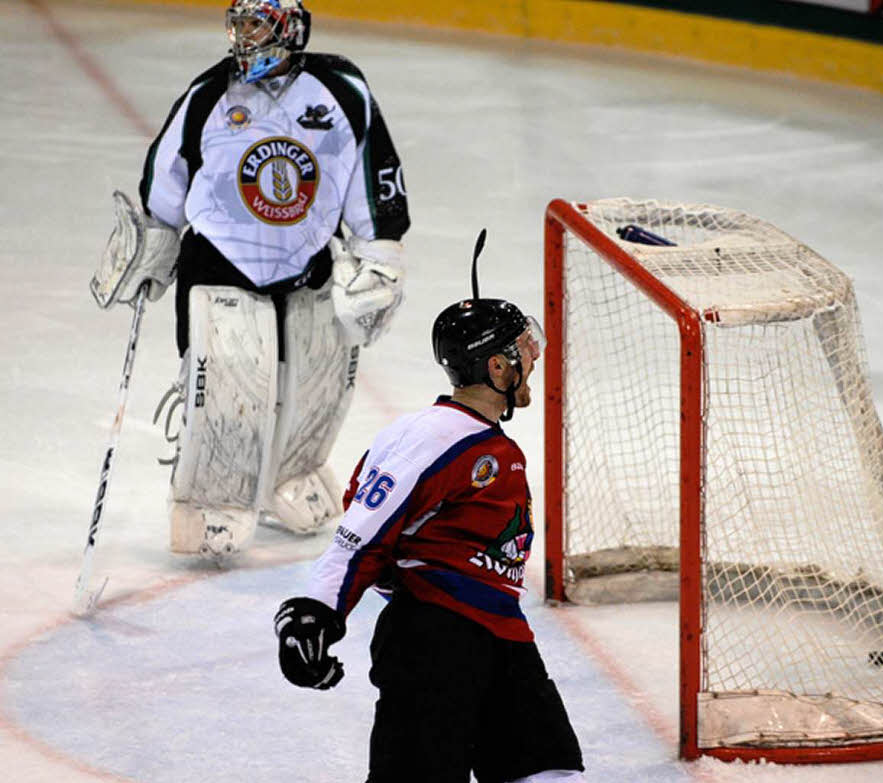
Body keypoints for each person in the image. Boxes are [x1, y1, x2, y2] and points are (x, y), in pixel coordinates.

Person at [89, 0, 411, 560]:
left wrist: (380, 248)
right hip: (221, 266)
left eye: (256, 23)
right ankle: (213, 502)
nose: (243, 36)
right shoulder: (210, 94)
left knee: (318, 390)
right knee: (228, 396)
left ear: (289, 28)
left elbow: (370, 169)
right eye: (239, 24)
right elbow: (168, 175)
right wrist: (153, 239)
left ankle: (294, 475)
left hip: (309, 266)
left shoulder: (341, 90)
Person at [273, 240, 586, 782]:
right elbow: (364, 527)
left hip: (500, 637)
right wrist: (316, 609)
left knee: (548, 770)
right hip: (434, 642)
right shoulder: (437, 436)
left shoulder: (476, 440)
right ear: (496, 365)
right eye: (522, 351)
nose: (532, 358)